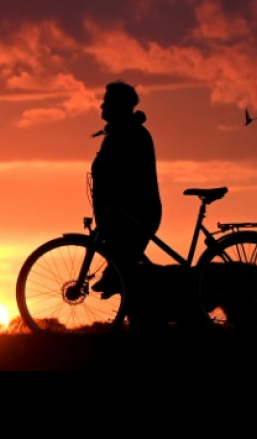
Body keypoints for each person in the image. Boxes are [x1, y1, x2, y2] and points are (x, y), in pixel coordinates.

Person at [88, 80, 163, 328]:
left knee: (126, 270)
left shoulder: (129, 134)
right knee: (125, 267)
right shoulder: (123, 132)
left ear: (119, 106)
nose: (102, 105)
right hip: (126, 213)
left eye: (107, 101)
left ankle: (143, 324)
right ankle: (142, 323)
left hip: (135, 213)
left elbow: (124, 175)